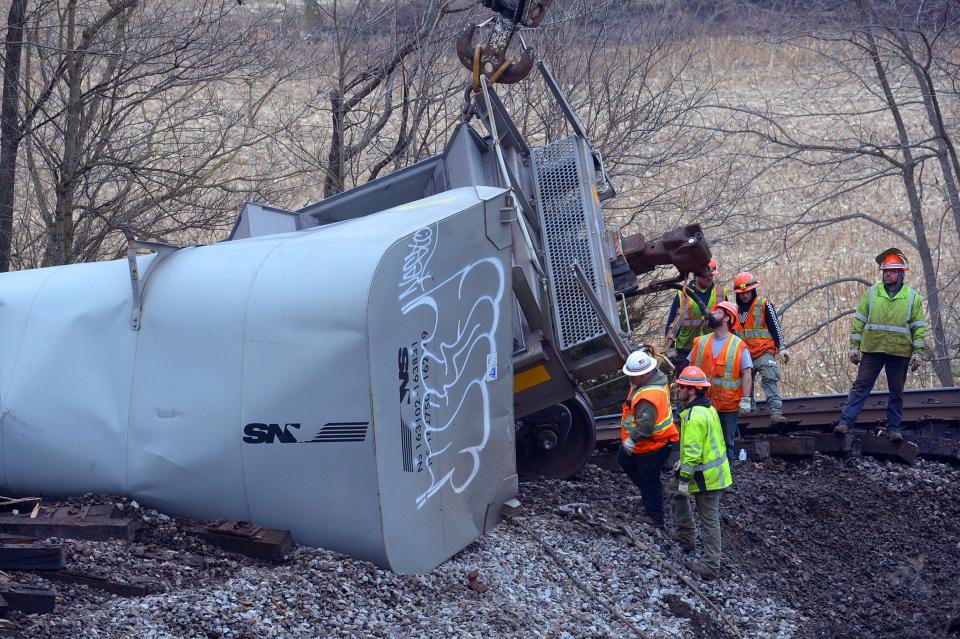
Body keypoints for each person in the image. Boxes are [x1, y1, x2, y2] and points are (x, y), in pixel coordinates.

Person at [834, 248, 926, 442]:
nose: (887, 275)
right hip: (873, 348)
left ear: (900, 274)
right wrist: (854, 346)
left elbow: (918, 326)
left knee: (897, 392)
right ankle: (845, 423)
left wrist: (918, 352)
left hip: (899, 351)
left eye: (891, 271)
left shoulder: (912, 296)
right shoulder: (873, 292)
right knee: (860, 387)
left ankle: (893, 429)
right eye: (885, 271)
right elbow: (859, 320)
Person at [667, 365, 732, 580]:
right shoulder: (706, 409)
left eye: (681, 387)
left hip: (706, 477)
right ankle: (687, 536)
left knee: (709, 520)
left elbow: (694, 453)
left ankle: (710, 566)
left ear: (692, 391)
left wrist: (685, 478)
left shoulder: (695, 416)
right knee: (674, 492)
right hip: (705, 470)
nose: (677, 390)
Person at [617, 348, 679, 528]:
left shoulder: (648, 396)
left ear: (644, 376)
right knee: (628, 463)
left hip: (652, 445)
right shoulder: (651, 379)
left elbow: (645, 425)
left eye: (632, 376)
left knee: (649, 478)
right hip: (649, 444)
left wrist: (631, 440)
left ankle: (655, 516)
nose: (630, 379)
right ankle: (650, 496)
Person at [689, 301, 752, 451]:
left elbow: (747, 372)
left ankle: (726, 475)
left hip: (727, 406)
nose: (712, 314)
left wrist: (746, 399)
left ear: (726, 318)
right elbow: (689, 370)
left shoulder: (738, 345)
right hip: (702, 403)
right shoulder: (701, 342)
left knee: (726, 444)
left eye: (717, 312)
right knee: (702, 443)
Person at [732, 272, 789, 425]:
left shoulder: (764, 304)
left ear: (753, 290)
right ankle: (748, 414)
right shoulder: (734, 311)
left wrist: (782, 347)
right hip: (745, 355)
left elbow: (775, 326)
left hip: (764, 352)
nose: (745, 295)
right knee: (744, 386)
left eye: (747, 292)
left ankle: (776, 414)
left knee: (769, 378)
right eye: (741, 293)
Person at [665, 259, 728, 369]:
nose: (710, 277)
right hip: (685, 351)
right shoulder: (683, 294)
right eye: (706, 275)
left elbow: (729, 321)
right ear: (697, 274)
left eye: (712, 275)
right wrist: (670, 349)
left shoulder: (721, 294)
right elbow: (672, 324)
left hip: (713, 349)